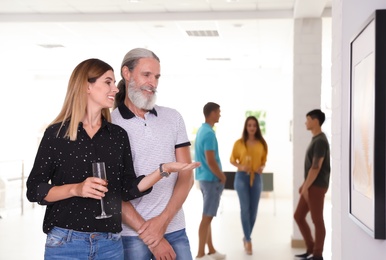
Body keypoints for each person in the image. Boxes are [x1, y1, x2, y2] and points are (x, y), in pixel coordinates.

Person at [26, 58, 199, 260]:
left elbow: (125, 190)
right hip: (66, 243)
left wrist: (162, 170)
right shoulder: (56, 134)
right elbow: (34, 189)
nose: (115, 89)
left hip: (110, 245)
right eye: (108, 82)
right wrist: (76, 189)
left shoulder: (117, 135)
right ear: (87, 86)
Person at [111, 48, 195, 260]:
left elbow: (186, 176)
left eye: (156, 76)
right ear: (127, 73)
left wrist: (163, 222)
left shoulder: (173, 118)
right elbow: (111, 191)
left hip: (174, 228)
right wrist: (151, 234)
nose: (153, 83)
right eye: (146, 75)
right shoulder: (109, 124)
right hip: (131, 234)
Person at [294, 109, 331, 260]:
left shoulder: (321, 141)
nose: (306, 122)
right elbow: (311, 167)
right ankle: (310, 248)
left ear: (315, 121)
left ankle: (317, 254)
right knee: (299, 216)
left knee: (317, 220)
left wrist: (306, 187)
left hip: (316, 187)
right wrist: (304, 185)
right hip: (310, 186)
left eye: (308, 119)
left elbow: (316, 168)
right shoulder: (316, 139)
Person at [229, 116, 268, 255]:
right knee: (245, 209)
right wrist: (241, 166)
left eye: (254, 125)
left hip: (256, 177)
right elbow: (232, 160)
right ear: (246, 127)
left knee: (254, 210)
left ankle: (246, 237)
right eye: (249, 125)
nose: (252, 128)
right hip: (241, 178)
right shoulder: (239, 143)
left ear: (257, 128)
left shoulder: (262, 143)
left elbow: (263, 160)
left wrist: (261, 167)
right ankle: (248, 239)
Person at [194, 102, 226, 260]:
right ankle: (200, 254)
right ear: (212, 113)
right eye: (218, 112)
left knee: (208, 216)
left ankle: (211, 250)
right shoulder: (209, 134)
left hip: (204, 179)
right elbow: (211, 160)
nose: (220, 114)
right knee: (207, 217)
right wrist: (222, 176)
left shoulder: (202, 131)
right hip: (211, 180)